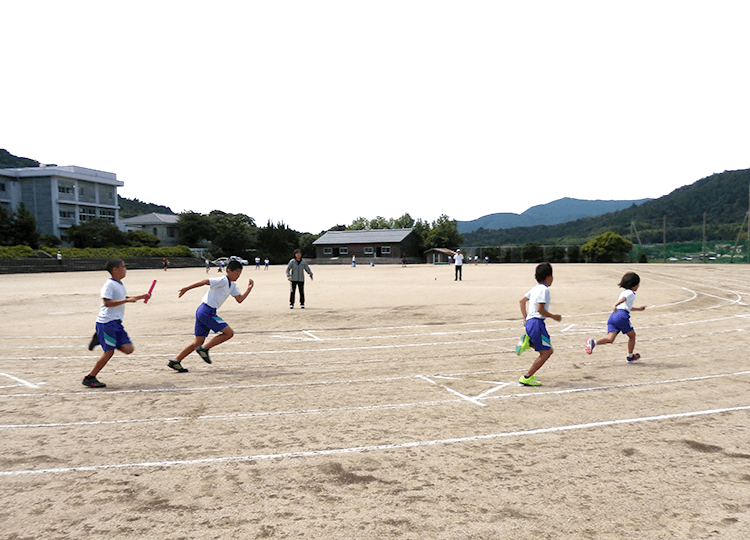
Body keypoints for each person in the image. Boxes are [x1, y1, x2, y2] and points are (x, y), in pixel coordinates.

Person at [168, 260, 254, 372]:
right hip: (206, 311)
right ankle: (204, 349)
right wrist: (186, 289)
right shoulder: (222, 280)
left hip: (205, 311)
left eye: (240, 274)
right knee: (229, 333)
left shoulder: (232, 285)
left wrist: (249, 289)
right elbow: (205, 281)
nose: (238, 276)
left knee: (198, 341)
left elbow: (239, 299)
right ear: (228, 271)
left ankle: (176, 361)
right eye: (236, 273)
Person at [83, 259, 151, 388]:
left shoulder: (119, 284)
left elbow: (121, 298)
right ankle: (90, 377)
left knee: (128, 349)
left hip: (116, 323)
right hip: (106, 323)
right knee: (109, 352)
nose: (125, 269)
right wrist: (127, 301)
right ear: (115, 269)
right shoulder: (109, 284)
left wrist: (139, 297)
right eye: (123, 267)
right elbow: (107, 303)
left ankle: (100, 338)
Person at [518, 262, 562, 387]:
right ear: (548, 276)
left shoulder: (535, 288)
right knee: (546, 353)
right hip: (537, 323)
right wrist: (554, 316)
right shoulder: (544, 290)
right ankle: (527, 377)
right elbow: (540, 310)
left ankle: (528, 342)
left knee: (548, 350)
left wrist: (524, 318)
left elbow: (522, 301)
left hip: (530, 323)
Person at [586, 272, 646, 361]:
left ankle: (593, 342)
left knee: (610, 339)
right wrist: (615, 304)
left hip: (613, 316)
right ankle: (630, 356)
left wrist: (638, 309)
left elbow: (625, 306)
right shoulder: (631, 293)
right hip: (621, 316)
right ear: (634, 284)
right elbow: (623, 300)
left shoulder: (624, 292)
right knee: (632, 336)